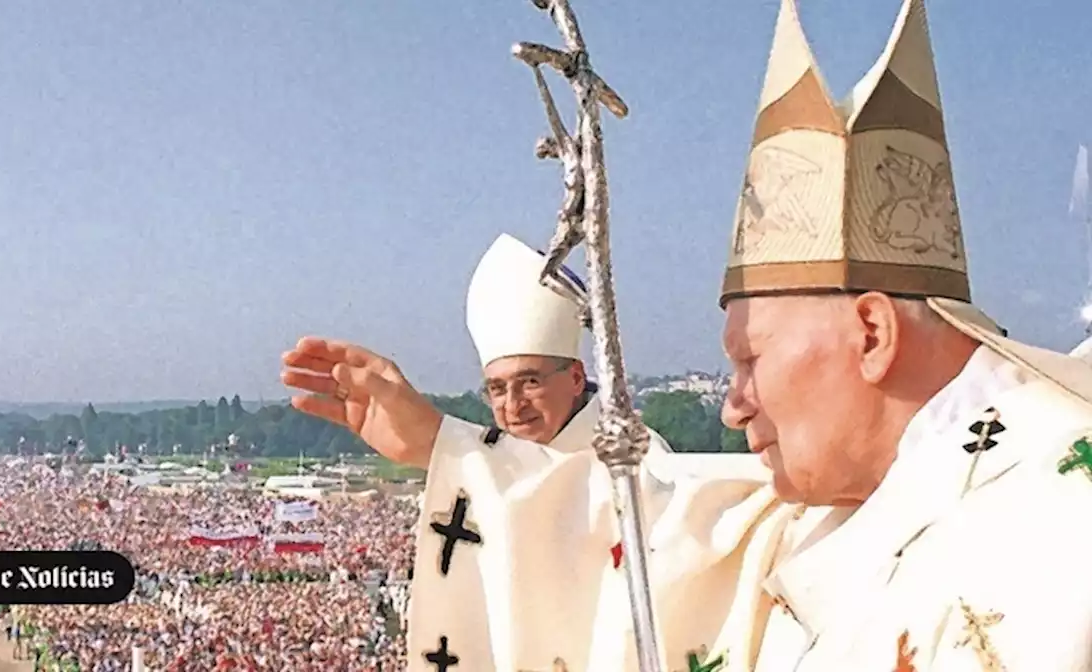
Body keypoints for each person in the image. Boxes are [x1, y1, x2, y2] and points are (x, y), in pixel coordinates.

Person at [284, 0, 1092, 669]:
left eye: (750, 358)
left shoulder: (1058, 524)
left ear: (872, 332)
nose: (734, 406)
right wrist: (441, 445)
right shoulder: (861, 498)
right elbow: (650, 525)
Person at [282, 233, 761, 669]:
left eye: (529, 382)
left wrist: (443, 445)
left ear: (575, 377)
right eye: (496, 389)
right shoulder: (498, 461)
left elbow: (617, 520)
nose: (512, 407)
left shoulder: (631, 457)